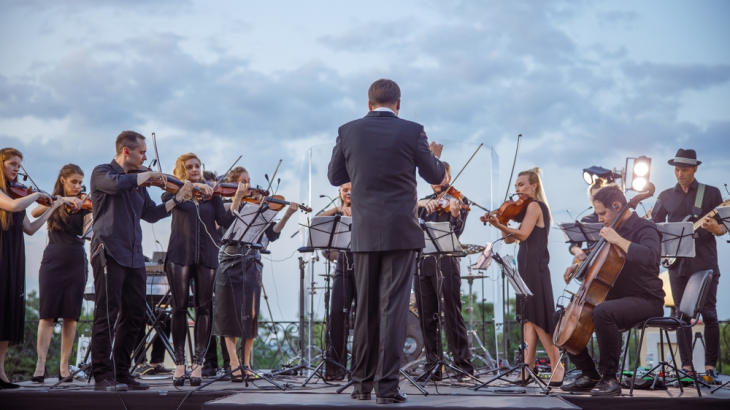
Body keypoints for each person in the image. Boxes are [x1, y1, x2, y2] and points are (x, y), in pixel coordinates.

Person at [328, 78, 445, 404]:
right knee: (392, 309)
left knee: (364, 309)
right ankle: (387, 388)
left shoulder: (348, 130)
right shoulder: (413, 131)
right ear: (398, 103)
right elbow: (436, 176)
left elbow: (336, 177)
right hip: (401, 232)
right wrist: (433, 156)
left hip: (364, 233)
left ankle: (361, 385)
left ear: (369, 104)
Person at [89, 131, 192, 391]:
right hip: (109, 250)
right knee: (107, 314)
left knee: (134, 315)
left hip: (134, 256)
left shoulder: (139, 185)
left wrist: (177, 199)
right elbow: (116, 184)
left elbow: (150, 214)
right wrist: (144, 176)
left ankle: (122, 372)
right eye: (142, 152)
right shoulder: (102, 172)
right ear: (127, 150)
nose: (146, 156)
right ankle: (102, 376)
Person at [560, 185, 665, 396]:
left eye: (602, 213)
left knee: (604, 312)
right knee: (560, 317)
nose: (599, 218)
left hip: (646, 300)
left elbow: (651, 256)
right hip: (617, 299)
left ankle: (610, 378)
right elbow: (601, 261)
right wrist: (579, 266)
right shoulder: (612, 230)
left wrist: (616, 239)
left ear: (617, 206)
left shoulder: (645, 228)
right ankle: (590, 374)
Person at [163, 153, 244, 386]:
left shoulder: (212, 195)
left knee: (204, 310)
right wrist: (188, 189)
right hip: (179, 255)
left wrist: (237, 198)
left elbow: (224, 221)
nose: (195, 169)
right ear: (182, 170)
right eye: (190, 167)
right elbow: (164, 200)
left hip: (207, 255)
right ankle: (180, 364)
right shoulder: (175, 192)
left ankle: (197, 365)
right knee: (178, 308)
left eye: (198, 166)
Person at [212, 166, 298, 382]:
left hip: (252, 261)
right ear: (233, 184)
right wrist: (238, 197)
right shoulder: (224, 204)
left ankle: (246, 363)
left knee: (250, 315)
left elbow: (272, 235)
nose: (249, 185)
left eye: (249, 181)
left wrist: (286, 213)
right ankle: (233, 363)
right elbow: (225, 225)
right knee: (227, 313)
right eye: (243, 181)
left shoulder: (257, 207)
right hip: (229, 261)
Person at [482, 168, 564, 386]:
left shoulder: (536, 206)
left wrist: (500, 223)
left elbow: (524, 234)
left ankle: (558, 368)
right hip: (526, 268)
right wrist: (502, 223)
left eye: (521, 185)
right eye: (516, 185)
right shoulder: (527, 209)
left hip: (535, 268)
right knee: (529, 320)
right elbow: (510, 240)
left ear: (533, 186)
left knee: (540, 320)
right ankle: (527, 370)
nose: (517, 189)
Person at [651, 149, 727, 384]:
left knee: (710, 314)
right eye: (676, 169)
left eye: (684, 169)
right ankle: (686, 368)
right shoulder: (665, 195)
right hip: (676, 264)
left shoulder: (711, 193)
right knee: (681, 316)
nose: (680, 173)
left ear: (695, 169)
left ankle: (710, 367)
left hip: (704, 262)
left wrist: (715, 228)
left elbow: (723, 228)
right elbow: (653, 226)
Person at [0, 148, 63, 389]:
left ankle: (1, 373)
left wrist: (52, 208)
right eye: (12, 164)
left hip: (14, 254)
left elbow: (29, 228)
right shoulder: (10, 196)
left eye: (18, 165)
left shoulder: (17, 193)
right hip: (1, 253)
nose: (17, 169)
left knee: (8, 309)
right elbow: (15, 207)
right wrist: (36, 193)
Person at [30, 164, 90, 383]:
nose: (78, 186)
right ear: (63, 180)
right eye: (74, 181)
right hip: (53, 260)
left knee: (71, 317)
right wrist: (58, 202)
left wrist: (88, 212)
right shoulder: (52, 200)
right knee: (47, 315)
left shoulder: (84, 204)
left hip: (76, 259)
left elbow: (87, 231)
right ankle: (40, 366)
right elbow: (35, 211)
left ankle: (64, 368)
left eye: (81, 183)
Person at [414, 161, 473, 381]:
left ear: (449, 177)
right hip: (422, 263)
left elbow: (456, 233)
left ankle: (463, 366)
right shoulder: (422, 203)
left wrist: (456, 215)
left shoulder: (459, 200)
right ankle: (433, 367)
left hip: (447, 262)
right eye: (434, 178)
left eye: (442, 177)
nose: (438, 182)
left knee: (451, 314)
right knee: (426, 317)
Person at [319, 182, 355, 381]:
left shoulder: (364, 208)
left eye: (351, 188)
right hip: (343, 265)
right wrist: (337, 209)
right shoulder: (337, 212)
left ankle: (359, 369)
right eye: (344, 189)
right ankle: (335, 368)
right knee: (336, 313)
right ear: (339, 192)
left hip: (363, 264)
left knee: (361, 317)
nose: (348, 192)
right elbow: (315, 221)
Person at [569, 179, 605, 262]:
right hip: (591, 259)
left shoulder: (612, 217)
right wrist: (576, 249)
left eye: (599, 196)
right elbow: (574, 244)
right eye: (594, 197)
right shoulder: (586, 220)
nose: (597, 200)